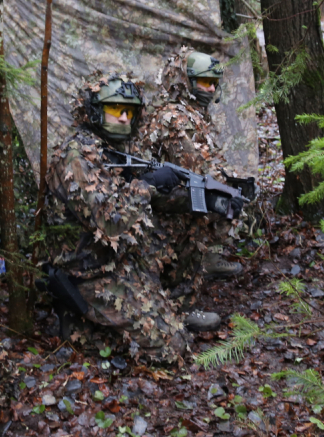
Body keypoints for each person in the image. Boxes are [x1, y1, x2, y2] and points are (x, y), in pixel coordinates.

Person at [41, 74, 220, 365]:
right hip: (88, 271)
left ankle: (149, 312)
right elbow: (109, 223)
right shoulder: (76, 156)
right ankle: (79, 318)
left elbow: (144, 197)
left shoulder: (115, 148)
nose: (124, 118)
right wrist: (146, 185)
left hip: (118, 258)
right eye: (115, 110)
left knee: (176, 335)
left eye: (130, 112)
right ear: (96, 112)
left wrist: (196, 197)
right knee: (173, 348)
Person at [135, 49, 243, 293]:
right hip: (158, 205)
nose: (212, 90)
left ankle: (209, 258)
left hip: (169, 194)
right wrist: (228, 189)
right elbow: (198, 167)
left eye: (214, 83)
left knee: (225, 193)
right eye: (205, 83)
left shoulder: (190, 113)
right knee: (219, 197)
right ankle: (181, 288)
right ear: (186, 82)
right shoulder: (176, 118)